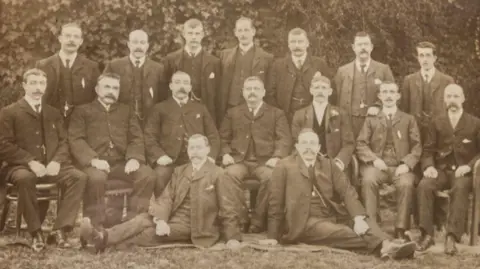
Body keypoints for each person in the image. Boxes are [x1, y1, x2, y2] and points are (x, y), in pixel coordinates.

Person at [266, 129, 417, 259]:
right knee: (342, 232)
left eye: (312, 144)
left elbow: (347, 192)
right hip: (304, 221)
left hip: (332, 214)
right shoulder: (284, 166)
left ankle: (386, 246)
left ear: (318, 147)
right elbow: (275, 203)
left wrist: (357, 219)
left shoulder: (328, 164)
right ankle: (388, 244)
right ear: (297, 147)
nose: (308, 148)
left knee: (364, 221)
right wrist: (273, 237)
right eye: (304, 143)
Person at [79, 134, 240, 252]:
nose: (195, 152)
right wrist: (161, 219)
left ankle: (107, 243)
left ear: (208, 150)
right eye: (192, 148)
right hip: (172, 215)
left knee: (148, 233)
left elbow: (228, 208)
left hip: (195, 224)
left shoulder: (219, 173)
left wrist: (232, 238)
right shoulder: (181, 170)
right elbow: (167, 198)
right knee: (140, 220)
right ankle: (102, 237)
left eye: (199, 148)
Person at [0, 68, 87, 251]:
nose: (37, 88)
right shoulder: (10, 112)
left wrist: (56, 161)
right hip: (20, 167)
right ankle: (35, 232)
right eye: (33, 83)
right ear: (24, 85)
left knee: (78, 177)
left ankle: (60, 229)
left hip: (51, 166)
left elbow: (65, 141)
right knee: (25, 178)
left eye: (41, 83)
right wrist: (30, 161)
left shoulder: (53, 113)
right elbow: (4, 145)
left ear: (46, 86)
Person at [68, 73, 155, 228]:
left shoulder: (126, 111)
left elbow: (136, 137)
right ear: (96, 89)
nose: (111, 91)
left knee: (147, 175)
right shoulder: (82, 111)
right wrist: (93, 160)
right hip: (94, 163)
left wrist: (134, 158)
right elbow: (76, 139)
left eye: (115, 88)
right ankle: (97, 225)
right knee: (96, 179)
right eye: (107, 87)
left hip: (121, 163)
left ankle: (134, 222)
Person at [220, 76, 292, 233]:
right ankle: (242, 218)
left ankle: (259, 221)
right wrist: (225, 153)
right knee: (228, 175)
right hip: (240, 161)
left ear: (263, 92)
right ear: (243, 92)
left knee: (272, 177)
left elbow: (284, 139)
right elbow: (222, 138)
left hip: (265, 162)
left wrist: (277, 157)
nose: (252, 92)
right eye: (249, 89)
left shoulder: (276, 113)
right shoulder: (233, 113)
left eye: (256, 89)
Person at [416, 84, 480, 255]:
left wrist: (469, 166)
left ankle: (451, 236)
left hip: (464, 172)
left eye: (456, 96)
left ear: (463, 98)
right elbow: (428, 149)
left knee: (460, 188)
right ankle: (427, 234)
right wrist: (429, 166)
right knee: (424, 185)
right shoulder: (436, 122)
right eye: (449, 96)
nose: (452, 100)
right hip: (441, 170)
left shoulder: (475, 123)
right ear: (444, 99)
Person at [356, 82, 421, 241]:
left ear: (398, 96)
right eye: (385, 92)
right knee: (368, 179)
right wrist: (374, 160)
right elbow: (361, 143)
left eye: (392, 92)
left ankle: (400, 228)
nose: (389, 96)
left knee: (405, 184)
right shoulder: (372, 119)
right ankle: (372, 225)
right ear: (379, 96)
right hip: (379, 165)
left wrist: (406, 164)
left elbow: (417, 146)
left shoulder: (408, 119)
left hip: (400, 167)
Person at [144, 71, 220, 198]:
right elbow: (149, 136)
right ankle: (163, 215)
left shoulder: (200, 108)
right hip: (169, 161)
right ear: (171, 86)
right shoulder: (160, 108)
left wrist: (211, 156)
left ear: (190, 87)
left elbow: (213, 136)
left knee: (210, 178)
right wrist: (159, 156)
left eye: (185, 83)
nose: (181, 86)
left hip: (196, 159)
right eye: (177, 82)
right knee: (160, 176)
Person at [291, 73, 355, 177]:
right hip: (308, 162)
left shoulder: (341, 114)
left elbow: (348, 143)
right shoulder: (300, 115)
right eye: (317, 88)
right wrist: (305, 162)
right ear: (311, 90)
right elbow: (295, 143)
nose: (320, 91)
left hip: (334, 162)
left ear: (330, 92)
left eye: (324, 88)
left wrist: (339, 162)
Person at [36, 23, 100, 125]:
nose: (71, 40)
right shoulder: (44, 65)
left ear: (81, 41)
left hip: (81, 125)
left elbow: (97, 97)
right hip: (50, 123)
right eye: (68, 36)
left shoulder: (91, 67)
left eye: (76, 37)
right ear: (60, 38)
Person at [333, 31, 395, 137]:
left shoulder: (383, 69)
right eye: (359, 44)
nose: (363, 48)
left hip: (375, 121)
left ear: (371, 47)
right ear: (353, 47)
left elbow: (393, 95)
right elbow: (335, 98)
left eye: (366, 44)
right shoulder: (342, 71)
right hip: (349, 123)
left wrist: (378, 106)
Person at [267, 27, 333, 123]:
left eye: (300, 41)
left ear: (307, 43)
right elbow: (270, 94)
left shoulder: (319, 64)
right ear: (288, 45)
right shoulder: (278, 65)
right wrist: (279, 115)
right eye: (293, 42)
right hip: (286, 118)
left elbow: (330, 93)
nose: (296, 45)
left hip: (313, 117)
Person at [217, 16, 273, 126]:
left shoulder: (267, 58)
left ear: (253, 32)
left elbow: (270, 88)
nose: (243, 34)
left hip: (254, 108)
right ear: (235, 33)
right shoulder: (224, 55)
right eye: (240, 30)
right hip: (230, 107)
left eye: (246, 30)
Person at [103, 29, 167, 127]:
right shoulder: (114, 66)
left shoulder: (158, 69)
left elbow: (163, 99)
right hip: (120, 123)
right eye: (135, 42)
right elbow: (103, 94)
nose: (138, 47)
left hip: (149, 123)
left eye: (142, 43)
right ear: (128, 44)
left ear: (147, 46)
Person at [163, 18, 220, 122]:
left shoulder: (214, 62)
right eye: (190, 33)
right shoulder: (171, 60)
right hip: (178, 114)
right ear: (184, 34)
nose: (194, 37)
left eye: (197, 33)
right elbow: (165, 91)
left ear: (202, 34)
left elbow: (218, 94)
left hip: (204, 114)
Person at [400, 41, 455, 139]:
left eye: (428, 55)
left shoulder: (447, 81)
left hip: (440, 134)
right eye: (421, 55)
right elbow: (404, 110)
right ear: (417, 58)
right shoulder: (409, 80)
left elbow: (452, 110)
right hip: (416, 133)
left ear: (434, 58)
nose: (425, 59)